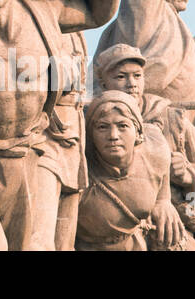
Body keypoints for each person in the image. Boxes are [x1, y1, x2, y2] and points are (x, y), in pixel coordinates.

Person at [5, 0, 124, 249]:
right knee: (34, 238)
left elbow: (98, 14)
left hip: (69, 136)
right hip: (33, 135)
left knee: (61, 239)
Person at [93, 43, 195, 246]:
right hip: (116, 223)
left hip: (174, 220)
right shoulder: (93, 121)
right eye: (120, 76)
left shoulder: (170, 117)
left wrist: (189, 174)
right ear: (103, 83)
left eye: (137, 76)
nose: (131, 83)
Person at [76, 91, 184, 251]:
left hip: (135, 243)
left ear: (138, 133)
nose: (113, 136)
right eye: (102, 127)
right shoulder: (80, 171)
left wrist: (163, 200)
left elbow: (161, 151)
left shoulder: (155, 149)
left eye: (123, 126)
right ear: (90, 135)